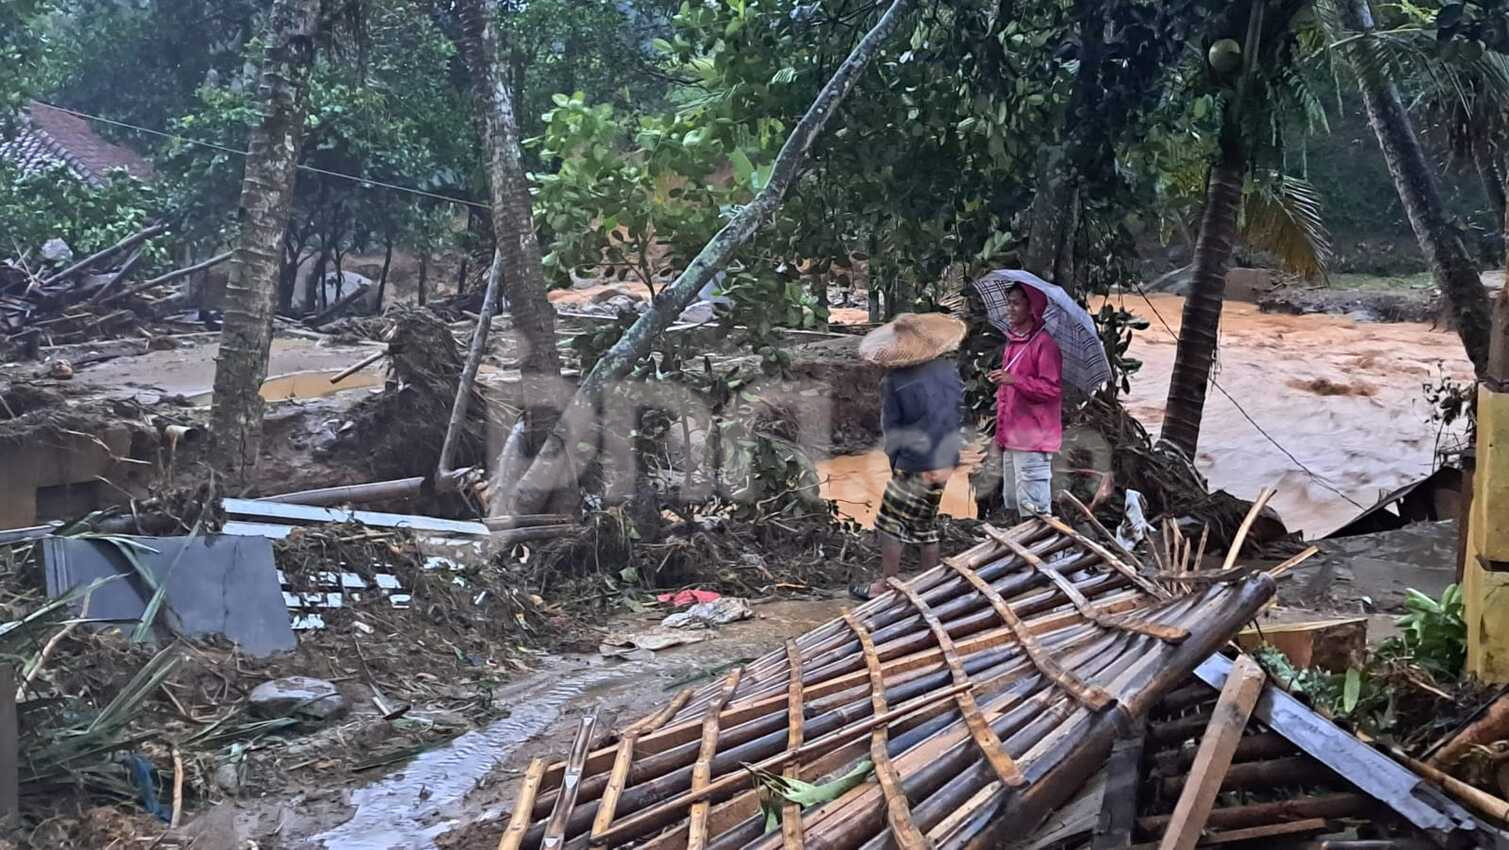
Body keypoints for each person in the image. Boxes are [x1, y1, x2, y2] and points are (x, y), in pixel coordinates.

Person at [851, 312, 966, 600]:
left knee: (890, 523)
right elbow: (958, 414)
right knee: (926, 522)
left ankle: (887, 584)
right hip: (945, 456)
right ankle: (929, 583)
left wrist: (895, 462)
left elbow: (893, 430)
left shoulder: (895, 381)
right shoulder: (948, 370)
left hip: (915, 461)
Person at [988, 283, 1063, 516]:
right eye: (1008, 303)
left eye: (1016, 303)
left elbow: (1052, 389)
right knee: (1012, 501)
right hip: (1012, 439)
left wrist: (1015, 380)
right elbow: (1010, 392)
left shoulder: (1045, 345)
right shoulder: (1013, 343)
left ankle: (1040, 552)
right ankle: (1019, 551)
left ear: (1032, 309)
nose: (1009, 309)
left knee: (1034, 509)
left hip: (1034, 441)